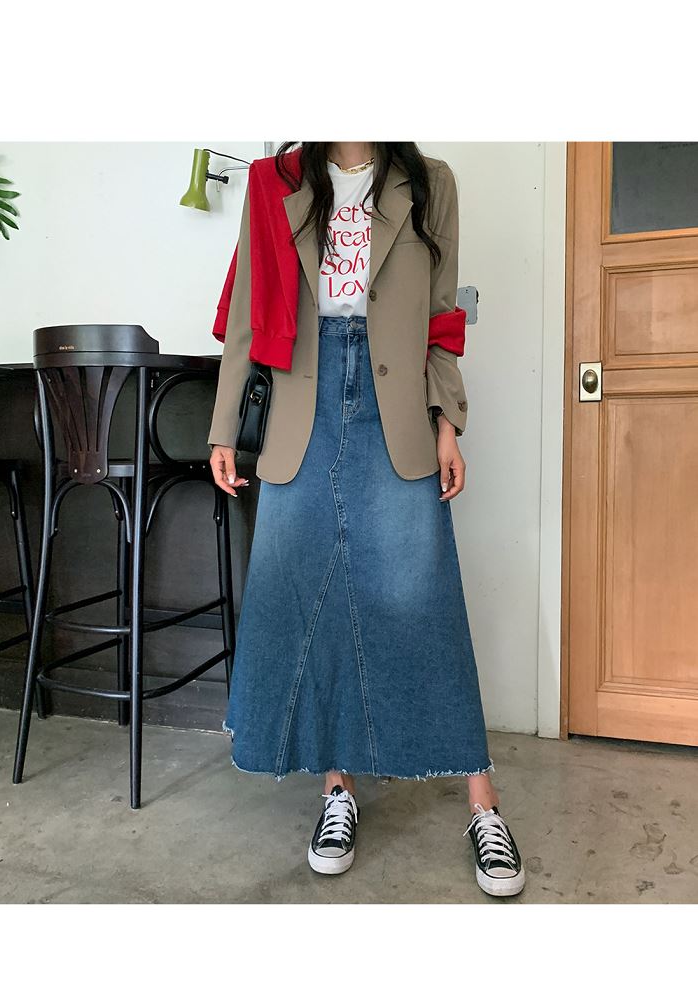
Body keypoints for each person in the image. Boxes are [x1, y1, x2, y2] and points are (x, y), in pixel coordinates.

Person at [208, 141, 525, 898]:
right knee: (306, 599)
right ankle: (337, 789)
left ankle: (483, 802)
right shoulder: (275, 182)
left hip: (394, 402)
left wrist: (447, 422)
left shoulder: (429, 183)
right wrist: (224, 427)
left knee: (425, 601)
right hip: (302, 402)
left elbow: (442, 317)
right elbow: (250, 307)